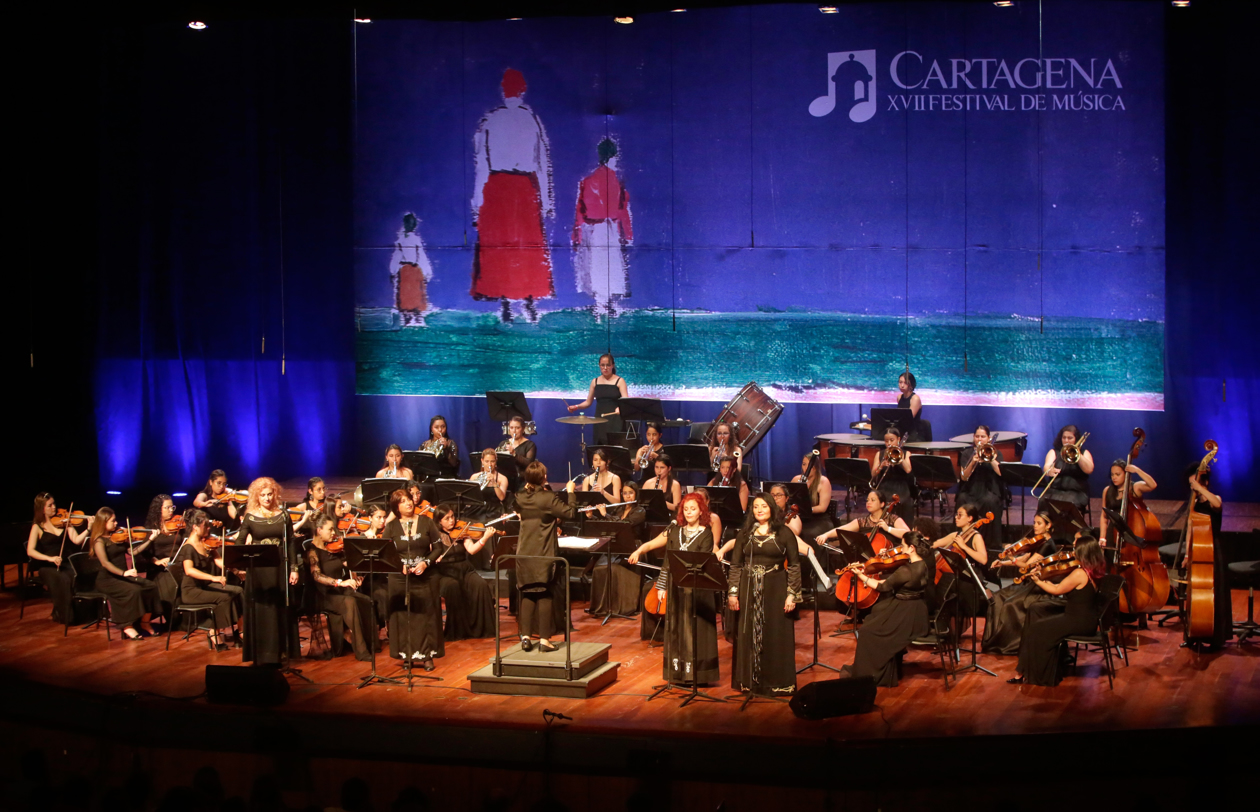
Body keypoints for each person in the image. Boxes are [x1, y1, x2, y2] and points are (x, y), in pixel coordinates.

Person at [471, 67, 554, 324]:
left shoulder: (490, 120)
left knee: (502, 246)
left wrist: (477, 202)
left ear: (503, 89)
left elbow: (481, 164)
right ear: (523, 89)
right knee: (527, 246)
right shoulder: (532, 120)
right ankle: (528, 302)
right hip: (525, 188)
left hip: (497, 187)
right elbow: (542, 163)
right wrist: (547, 200)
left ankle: (507, 303)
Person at [728, 493, 801, 697]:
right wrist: (733, 593)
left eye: (764, 506)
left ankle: (777, 683)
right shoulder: (744, 534)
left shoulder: (784, 533)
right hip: (748, 586)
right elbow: (735, 565)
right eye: (756, 507)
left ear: (771, 509)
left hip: (776, 587)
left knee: (776, 633)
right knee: (748, 632)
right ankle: (749, 682)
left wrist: (791, 595)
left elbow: (794, 565)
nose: (759, 510)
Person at [839, 532, 933, 687]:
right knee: (875, 615)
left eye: (902, 546)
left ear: (911, 548)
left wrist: (860, 576)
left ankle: (872, 674)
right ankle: (890, 668)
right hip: (916, 609)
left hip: (906, 612)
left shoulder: (906, 570)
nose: (899, 549)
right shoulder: (923, 564)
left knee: (867, 631)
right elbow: (894, 582)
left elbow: (882, 586)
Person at [1010, 538, 1107, 686]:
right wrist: (1043, 579)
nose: (1073, 552)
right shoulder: (1093, 570)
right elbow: (1061, 586)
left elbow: (1056, 590)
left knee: (1036, 628)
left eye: (1076, 549)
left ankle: (1039, 676)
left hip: (1077, 621)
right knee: (1040, 619)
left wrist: (1037, 580)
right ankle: (1028, 671)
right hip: (1087, 620)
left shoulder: (1080, 573)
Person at [649, 494, 720, 686]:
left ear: (701, 511)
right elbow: (667, 561)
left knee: (692, 630)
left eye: (693, 509)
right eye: (686, 509)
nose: (689, 512)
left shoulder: (706, 533)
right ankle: (677, 673)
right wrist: (662, 586)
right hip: (675, 589)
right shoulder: (675, 531)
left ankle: (695, 674)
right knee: (675, 629)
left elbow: (703, 561)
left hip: (697, 591)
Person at [513, 462, 577, 651]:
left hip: (524, 553)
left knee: (527, 592)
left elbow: (516, 504)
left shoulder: (520, 496)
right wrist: (572, 492)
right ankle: (544, 640)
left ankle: (525, 637)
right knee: (545, 593)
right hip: (543, 553)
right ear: (544, 478)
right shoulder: (549, 498)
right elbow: (571, 512)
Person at [238, 477, 301, 665]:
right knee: (262, 609)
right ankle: (261, 653)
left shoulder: (283, 515)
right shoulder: (250, 517)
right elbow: (239, 542)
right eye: (263, 495)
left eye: (269, 494)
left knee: (278, 609)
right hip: (258, 570)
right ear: (257, 497)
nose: (266, 498)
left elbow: (290, 542)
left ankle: (281, 651)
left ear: (275, 494)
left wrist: (294, 568)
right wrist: (243, 561)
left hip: (279, 567)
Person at [573, 138, 634, 322]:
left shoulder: (587, 180)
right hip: (610, 228)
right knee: (611, 266)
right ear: (613, 157)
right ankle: (607, 305)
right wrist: (628, 234)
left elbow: (579, 210)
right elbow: (623, 209)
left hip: (591, 228)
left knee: (596, 267)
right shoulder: (616, 181)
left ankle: (601, 304)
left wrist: (577, 234)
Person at [383, 489, 445, 670]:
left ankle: (427, 656)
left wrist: (426, 562)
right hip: (399, 578)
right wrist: (397, 564)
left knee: (426, 615)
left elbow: (438, 548)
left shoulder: (427, 522)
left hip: (425, 576)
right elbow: (385, 551)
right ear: (396, 507)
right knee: (403, 616)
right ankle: (407, 655)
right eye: (403, 501)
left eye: (409, 499)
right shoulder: (391, 527)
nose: (408, 503)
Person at [983, 511, 1060, 655]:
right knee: (997, 597)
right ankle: (994, 640)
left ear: (1048, 526)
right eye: (1034, 522)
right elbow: (1024, 559)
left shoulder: (1048, 545)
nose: (1035, 526)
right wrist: (1003, 563)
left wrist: (1012, 558)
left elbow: (1027, 566)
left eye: (1039, 523)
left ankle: (1011, 644)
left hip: (1038, 587)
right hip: (1029, 584)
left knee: (1009, 604)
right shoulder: (1039, 541)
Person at [306, 514, 374, 661]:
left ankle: (371, 645)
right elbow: (316, 576)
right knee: (350, 602)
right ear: (319, 530)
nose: (334, 533)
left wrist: (356, 576)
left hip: (338, 592)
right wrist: (339, 582)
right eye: (330, 530)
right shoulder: (312, 551)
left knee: (365, 600)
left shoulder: (333, 549)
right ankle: (361, 651)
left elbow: (348, 565)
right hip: (323, 595)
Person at [1181, 461, 1231, 650]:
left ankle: (1216, 637)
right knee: (1194, 595)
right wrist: (1186, 554)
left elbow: (1217, 504)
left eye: (1196, 483)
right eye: (1191, 484)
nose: (1192, 487)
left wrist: (1201, 489)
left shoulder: (1213, 498)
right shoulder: (1193, 503)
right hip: (1197, 550)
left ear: (1205, 482)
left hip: (1213, 549)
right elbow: (1190, 529)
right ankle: (1193, 633)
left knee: (1214, 595)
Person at [89, 508, 160, 640]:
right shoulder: (99, 541)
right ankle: (127, 625)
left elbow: (133, 552)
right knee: (133, 590)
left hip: (123, 576)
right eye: (113, 521)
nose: (116, 523)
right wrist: (124, 573)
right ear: (103, 522)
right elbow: (105, 563)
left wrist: (149, 540)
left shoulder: (118, 536)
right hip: (108, 579)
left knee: (150, 586)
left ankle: (144, 622)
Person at [432, 504, 498, 640]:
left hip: (464, 568)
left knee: (481, 585)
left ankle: (482, 629)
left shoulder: (461, 531)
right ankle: (458, 631)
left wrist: (484, 537)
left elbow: (472, 550)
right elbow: (429, 554)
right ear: (439, 521)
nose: (452, 520)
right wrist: (434, 558)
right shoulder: (434, 535)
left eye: (452, 516)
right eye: (447, 518)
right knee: (453, 587)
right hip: (445, 571)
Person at [178, 508, 241, 650]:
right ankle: (213, 632)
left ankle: (239, 631)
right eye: (205, 526)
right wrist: (214, 577)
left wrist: (235, 570)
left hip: (204, 587)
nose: (209, 528)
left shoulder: (206, 542)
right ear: (195, 527)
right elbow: (189, 570)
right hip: (192, 591)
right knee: (225, 598)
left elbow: (219, 561)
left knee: (238, 591)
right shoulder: (188, 547)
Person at [26, 492, 89, 624]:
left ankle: (83, 614)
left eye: (54, 504)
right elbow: (30, 551)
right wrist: (49, 558)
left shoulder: (65, 522)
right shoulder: (37, 527)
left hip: (65, 563)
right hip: (48, 566)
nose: (54, 507)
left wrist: (88, 529)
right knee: (64, 578)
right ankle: (66, 616)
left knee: (78, 575)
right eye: (49, 505)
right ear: (41, 509)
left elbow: (77, 540)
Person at [931, 503, 993, 618]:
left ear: (970, 518)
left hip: (969, 575)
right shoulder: (956, 535)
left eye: (960, 515)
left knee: (946, 580)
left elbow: (983, 559)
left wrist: (964, 546)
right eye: (956, 515)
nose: (956, 517)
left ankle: (943, 615)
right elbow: (935, 544)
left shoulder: (976, 537)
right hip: (957, 573)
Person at [957, 425, 1006, 550]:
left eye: (983, 436)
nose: (980, 439)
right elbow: (963, 477)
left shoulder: (995, 452)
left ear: (988, 438)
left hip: (989, 489)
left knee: (989, 501)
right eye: (977, 436)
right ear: (973, 438)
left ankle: (991, 543)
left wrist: (991, 459)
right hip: (970, 489)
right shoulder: (966, 453)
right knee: (962, 499)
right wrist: (973, 461)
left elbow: (1001, 473)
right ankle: (961, 539)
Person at [816, 489, 911, 550]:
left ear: (882, 504)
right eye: (867, 500)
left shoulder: (892, 519)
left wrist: (888, 529)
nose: (868, 503)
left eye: (873, 500)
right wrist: (826, 535)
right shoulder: (863, 521)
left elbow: (908, 534)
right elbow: (842, 529)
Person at [566, 353, 628, 444]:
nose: (605, 368)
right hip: (600, 420)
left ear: (612, 365)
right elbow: (588, 402)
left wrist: (621, 408)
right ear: (599, 366)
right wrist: (576, 406)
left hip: (616, 420)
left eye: (608, 365)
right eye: (603, 365)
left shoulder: (620, 381)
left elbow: (626, 401)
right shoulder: (595, 382)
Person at [139, 494, 182, 612]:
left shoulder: (178, 524)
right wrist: (156, 561)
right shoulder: (151, 528)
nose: (171, 511)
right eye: (167, 508)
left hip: (178, 564)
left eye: (172, 507)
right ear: (158, 509)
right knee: (172, 588)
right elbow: (144, 552)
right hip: (160, 569)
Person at [1038, 424, 1094, 513]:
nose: (1066, 441)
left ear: (1076, 439)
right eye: (1064, 438)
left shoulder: (1084, 453)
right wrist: (1049, 470)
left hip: (1076, 493)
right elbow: (1046, 466)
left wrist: (1078, 454)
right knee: (1042, 502)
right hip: (1055, 491)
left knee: (1066, 504)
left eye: (1070, 438)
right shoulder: (1054, 452)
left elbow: (1089, 469)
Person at [391, 212, 434, 327]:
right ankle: (408, 319)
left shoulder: (415, 240)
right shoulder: (401, 240)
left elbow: (421, 255)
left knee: (417, 295)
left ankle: (418, 318)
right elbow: (397, 256)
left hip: (414, 271)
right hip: (405, 271)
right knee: (405, 295)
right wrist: (393, 271)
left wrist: (427, 272)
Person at [1098, 459, 1157, 542]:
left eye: (1118, 474)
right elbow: (1104, 517)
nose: (1114, 477)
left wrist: (1137, 470)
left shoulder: (1135, 488)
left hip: (1132, 529)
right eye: (1112, 475)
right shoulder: (1107, 490)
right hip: (1113, 530)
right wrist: (1102, 537)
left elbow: (1152, 485)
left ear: (1126, 474)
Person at [872, 427, 914, 523]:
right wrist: (880, 466)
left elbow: (908, 470)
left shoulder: (906, 454)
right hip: (885, 487)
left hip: (901, 488)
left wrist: (899, 457)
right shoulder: (879, 454)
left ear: (898, 440)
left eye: (892, 440)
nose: (889, 443)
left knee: (904, 502)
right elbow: (873, 474)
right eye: (886, 441)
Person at [791, 452, 835, 543]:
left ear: (815, 467)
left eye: (809, 465)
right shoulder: (796, 479)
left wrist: (807, 510)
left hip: (819, 520)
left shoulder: (823, 482)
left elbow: (822, 508)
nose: (806, 467)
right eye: (804, 464)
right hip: (800, 518)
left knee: (808, 534)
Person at [497, 416, 537, 484]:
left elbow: (529, 464)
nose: (514, 431)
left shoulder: (530, 445)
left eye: (517, 428)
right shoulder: (503, 443)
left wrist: (514, 454)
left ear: (523, 428)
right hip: (505, 479)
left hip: (522, 479)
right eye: (511, 428)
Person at [471, 448, 510, 512]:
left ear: (496, 461)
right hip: (477, 509)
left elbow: (502, 498)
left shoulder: (502, 478)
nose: (490, 464)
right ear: (482, 461)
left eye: (492, 461)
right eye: (487, 461)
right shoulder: (474, 477)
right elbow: (471, 497)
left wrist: (494, 483)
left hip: (494, 510)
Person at [896, 371, 925, 442]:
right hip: (902, 431)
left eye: (905, 383)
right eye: (900, 382)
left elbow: (908, 419)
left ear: (911, 385)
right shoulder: (899, 397)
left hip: (914, 433)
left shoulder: (915, 399)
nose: (902, 385)